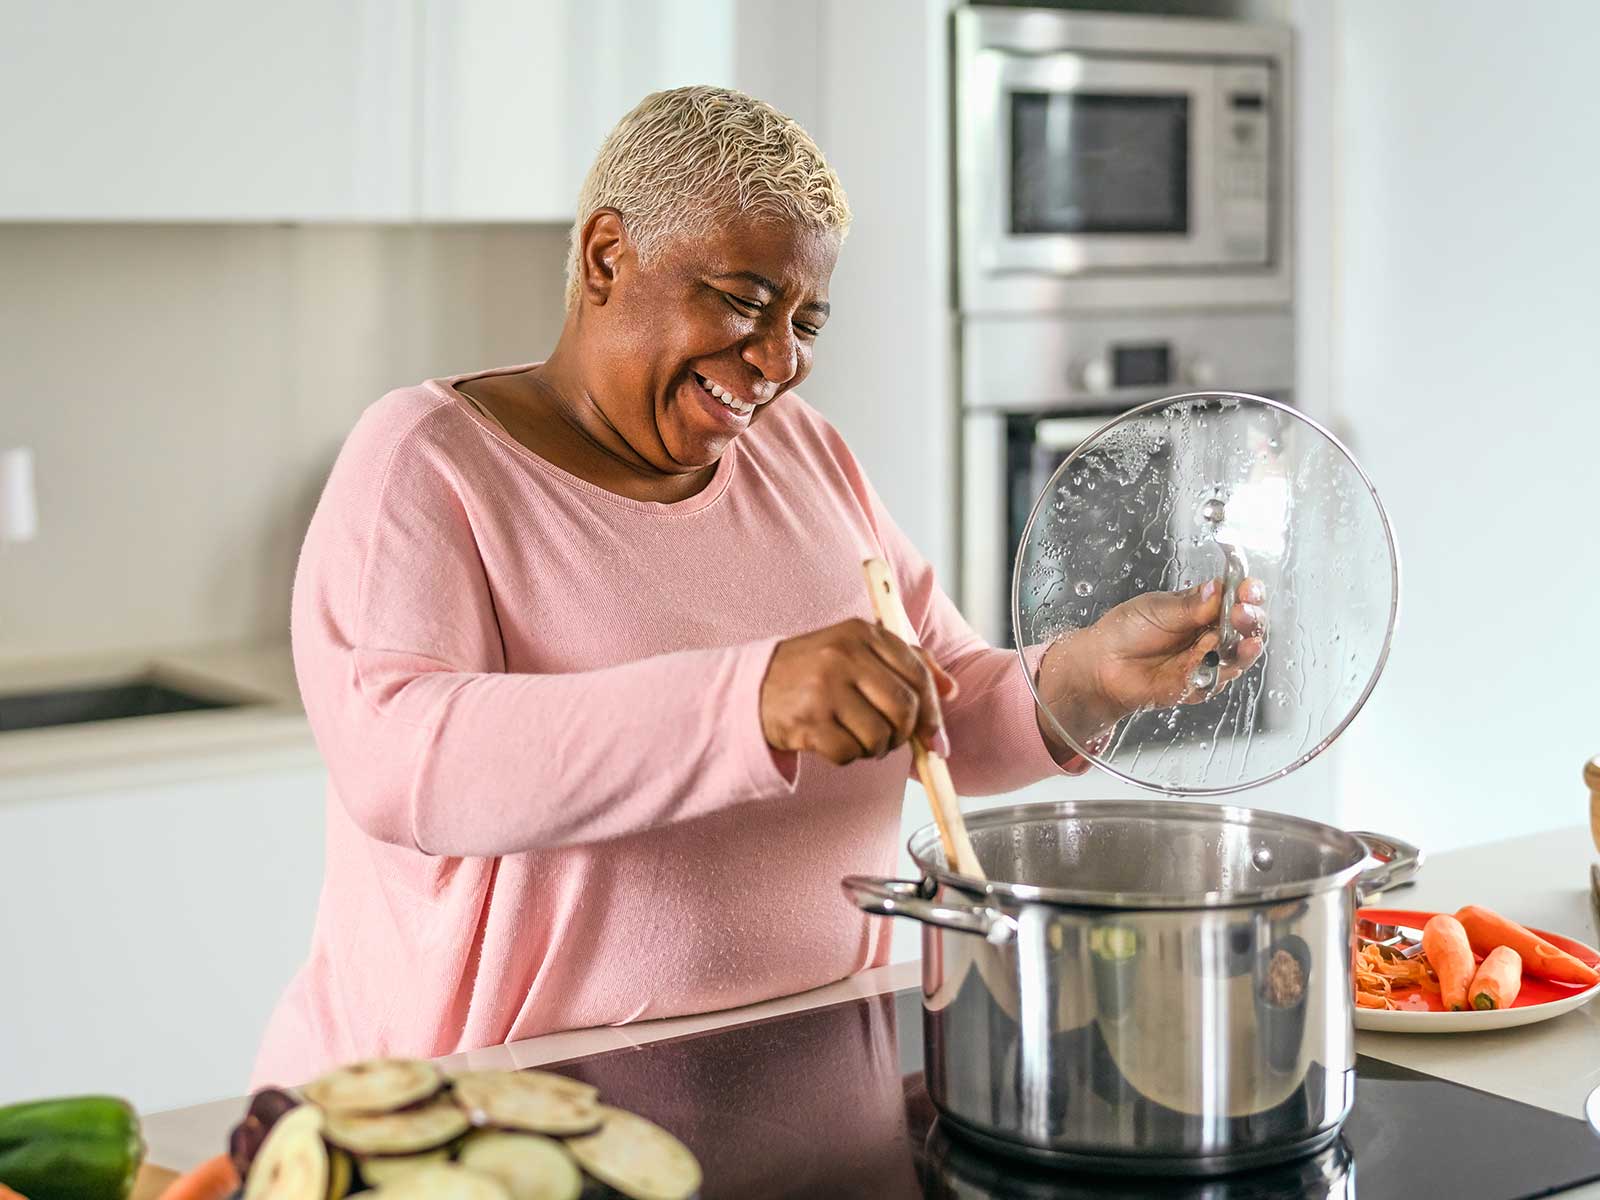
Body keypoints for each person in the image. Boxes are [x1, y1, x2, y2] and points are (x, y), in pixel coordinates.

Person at [253, 86, 1264, 1086]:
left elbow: (936, 702)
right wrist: (749, 700)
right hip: (495, 1108)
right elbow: (404, 761)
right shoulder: (429, 462)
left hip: (815, 1070)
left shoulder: (802, 453)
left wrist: (1085, 677)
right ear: (608, 257)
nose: (779, 360)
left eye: (806, 319)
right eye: (742, 300)